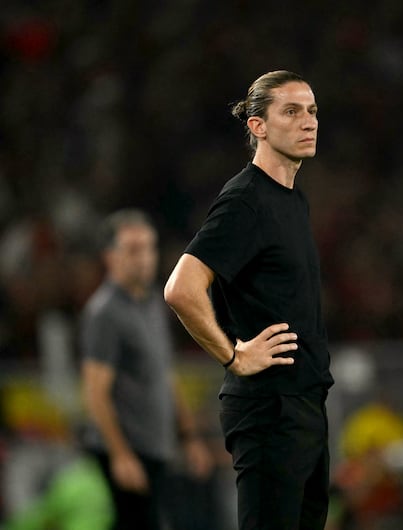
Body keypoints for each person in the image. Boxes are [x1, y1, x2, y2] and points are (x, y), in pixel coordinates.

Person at [163, 70, 334, 530]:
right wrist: (234, 355)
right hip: (269, 408)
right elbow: (181, 287)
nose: (308, 122)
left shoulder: (293, 199)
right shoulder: (245, 200)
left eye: (313, 111)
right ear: (258, 125)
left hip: (304, 405)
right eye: (292, 111)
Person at [80, 209, 213, 530]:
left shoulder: (154, 302)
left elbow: (165, 374)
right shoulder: (104, 313)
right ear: (110, 257)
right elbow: (95, 392)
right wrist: (121, 455)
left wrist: (189, 436)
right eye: (133, 249)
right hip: (129, 448)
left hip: (156, 446)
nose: (144, 258)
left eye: (149, 247)